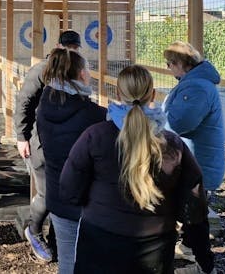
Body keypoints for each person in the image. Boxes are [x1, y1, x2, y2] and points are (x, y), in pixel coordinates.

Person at [60, 65, 215, 274]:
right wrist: (204, 259)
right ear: (152, 94)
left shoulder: (94, 136)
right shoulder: (173, 145)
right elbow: (195, 208)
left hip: (99, 244)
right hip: (156, 250)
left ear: (117, 94)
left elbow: (69, 190)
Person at [14, 30, 82, 263]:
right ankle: (33, 231)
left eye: (75, 50)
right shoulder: (41, 71)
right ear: (59, 47)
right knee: (46, 193)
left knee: (61, 193)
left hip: (65, 144)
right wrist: (21, 137)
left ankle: (56, 238)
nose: (72, 53)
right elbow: (23, 103)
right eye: (69, 49)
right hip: (39, 142)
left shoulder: (75, 73)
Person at [35, 48, 105, 274]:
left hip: (58, 196)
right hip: (88, 201)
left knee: (67, 261)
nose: (90, 74)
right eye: (87, 69)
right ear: (81, 74)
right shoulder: (93, 115)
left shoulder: (45, 103)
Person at [163, 41, 225, 196]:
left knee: (192, 215)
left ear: (179, 63)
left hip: (196, 166)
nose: (168, 68)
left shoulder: (197, 88)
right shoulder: (195, 84)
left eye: (169, 64)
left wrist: (153, 124)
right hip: (194, 163)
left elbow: (178, 123)